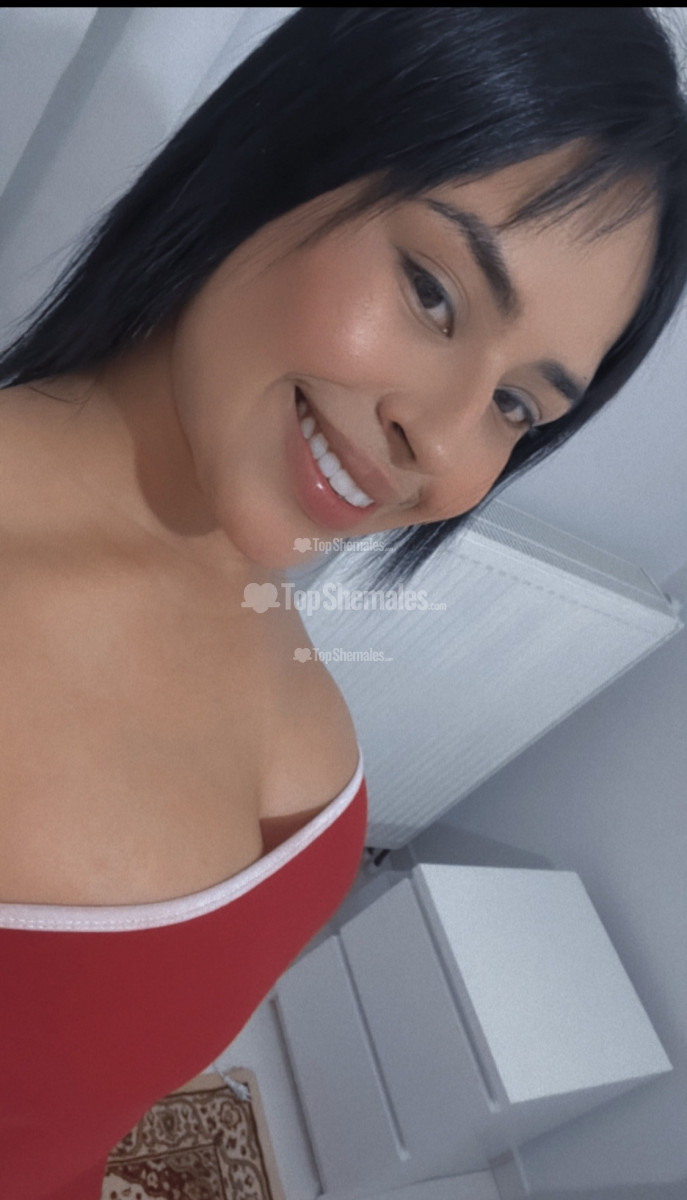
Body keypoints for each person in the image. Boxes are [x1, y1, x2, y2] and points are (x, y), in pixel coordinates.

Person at [0, 7, 686, 1197]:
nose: (447, 443)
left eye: (518, 408)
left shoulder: (235, 560)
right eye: (433, 292)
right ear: (284, 143)